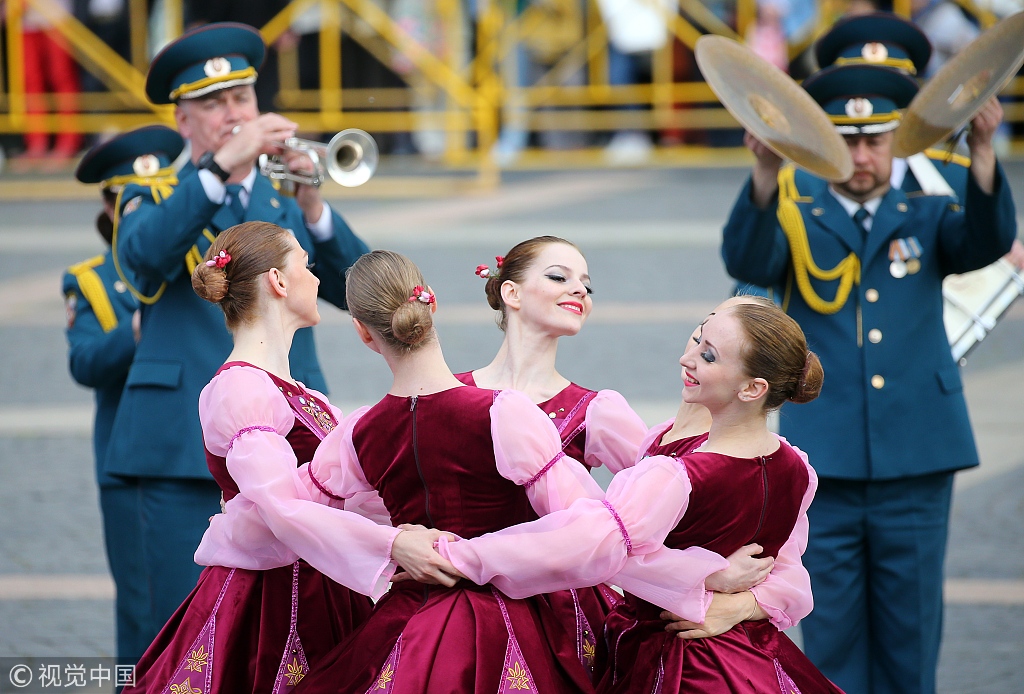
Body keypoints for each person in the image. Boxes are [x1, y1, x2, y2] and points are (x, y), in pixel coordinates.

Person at [720, 60, 1017, 693]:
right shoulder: (799, 212)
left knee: (912, 632)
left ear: (896, 142)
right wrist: (766, 172)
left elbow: (987, 242)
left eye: (875, 140)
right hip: (824, 456)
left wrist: (985, 152)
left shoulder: (926, 211)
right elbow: (748, 259)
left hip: (917, 452)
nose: (860, 156)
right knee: (832, 633)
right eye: (847, 141)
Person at [104, 22, 371, 640]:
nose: (234, 114)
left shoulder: (282, 197)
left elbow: (360, 292)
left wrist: (312, 209)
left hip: (291, 439)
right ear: (182, 121)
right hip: (180, 445)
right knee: (177, 628)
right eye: (214, 104)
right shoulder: (152, 192)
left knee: (291, 630)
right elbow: (143, 261)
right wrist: (220, 167)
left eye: (242, 98)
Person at [436, 298, 843, 693]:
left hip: (680, 661)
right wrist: (717, 584)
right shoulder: (796, 466)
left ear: (753, 388)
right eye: (698, 338)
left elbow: (587, 546)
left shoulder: (680, 475)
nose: (687, 359)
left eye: (709, 356)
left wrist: (461, 555)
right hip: (756, 656)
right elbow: (784, 573)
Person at [126, 223, 455, 694]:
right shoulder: (241, 387)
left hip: (323, 586)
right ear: (278, 281)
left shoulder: (303, 395)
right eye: (306, 263)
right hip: (268, 600)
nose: (316, 278)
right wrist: (391, 545)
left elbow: (347, 495)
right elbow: (279, 507)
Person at [457, 238, 772, 680]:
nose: (579, 290)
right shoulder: (452, 393)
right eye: (559, 277)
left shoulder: (597, 411)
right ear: (511, 292)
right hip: (455, 591)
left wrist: (716, 578)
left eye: (586, 285)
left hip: (557, 612)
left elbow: (673, 508)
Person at [64, 125, 184, 665]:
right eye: (132, 198)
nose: (145, 207)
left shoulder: (194, 263)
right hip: (128, 461)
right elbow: (84, 363)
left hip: (190, 451)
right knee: (144, 611)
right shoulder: (91, 280)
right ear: (111, 208)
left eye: (160, 196)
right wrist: (135, 332)